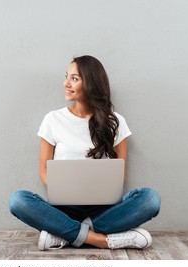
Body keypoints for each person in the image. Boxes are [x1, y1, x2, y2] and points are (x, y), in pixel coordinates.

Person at [9, 55, 161, 250]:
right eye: (67, 76)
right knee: (18, 200)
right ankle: (101, 240)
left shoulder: (116, 121)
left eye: (75, 78)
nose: (66, 83)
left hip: (105, 210)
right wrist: (64, 189)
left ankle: (65, 235)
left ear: (91, 83)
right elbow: (44, 171)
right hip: (63, 209)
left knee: (150, 199)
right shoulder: (52, 119)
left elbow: (119, 174)